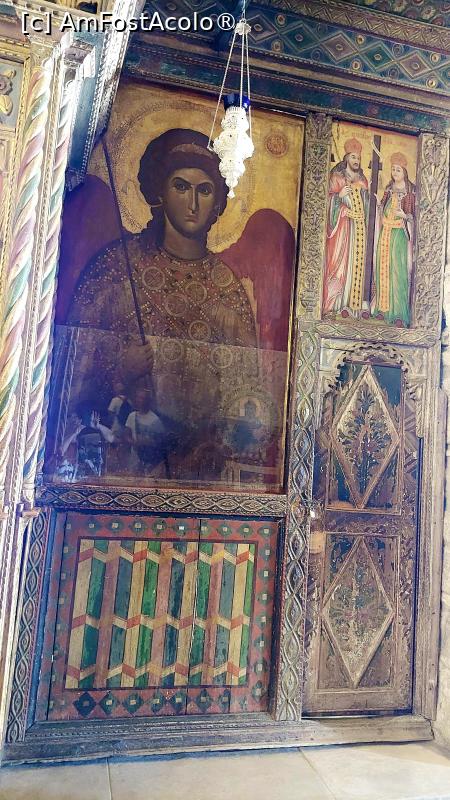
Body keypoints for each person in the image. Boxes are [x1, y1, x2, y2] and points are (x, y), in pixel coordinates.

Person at [66, 129, 257, 482]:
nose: (192, 203)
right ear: (160, 192)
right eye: (181, 186)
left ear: (218, 202)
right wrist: (119, 368)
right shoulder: (115, 268)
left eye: (204, 190)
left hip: (198, 471)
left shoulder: (226, 289)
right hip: (117, 463)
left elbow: (247, 394)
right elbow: (69, 374)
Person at [322, 138, 369, 316]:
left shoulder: (363, 180)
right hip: (341, 230)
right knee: (339, 264)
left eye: (358, 158)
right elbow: (325, 201)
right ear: (347, 158)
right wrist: (339, 196)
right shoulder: (337, 177)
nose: (356, 161)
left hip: (358, 231)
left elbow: (366, 206)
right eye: (353, 157)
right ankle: (334, 304)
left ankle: (351, 306)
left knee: (355, 265)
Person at [372, 152, 415, 327]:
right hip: (385, 234)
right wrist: (379, 204)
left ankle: (398, 313)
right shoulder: (389, 188)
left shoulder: (410, 192)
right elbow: (382, 207)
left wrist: (404, 216)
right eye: (393, 169)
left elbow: (413, 216)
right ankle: (382, 310)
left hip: (399, 236)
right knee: (383, 269)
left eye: (398, 169)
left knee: (398, 272)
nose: (395, 172)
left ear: (404, 171)